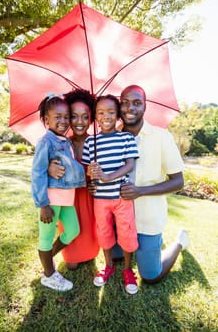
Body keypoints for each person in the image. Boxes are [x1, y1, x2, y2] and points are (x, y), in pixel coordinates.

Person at [118, 84, 190, 284]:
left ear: (144, 107)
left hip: (147, 219)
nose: (129, 108)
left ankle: (179, 242)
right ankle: (143, 248)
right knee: (115, 258)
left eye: (136, 103)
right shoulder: (111, 136)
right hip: (119, 218)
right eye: (124, 103)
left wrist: (140, 191)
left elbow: (178, 181)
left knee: (151, 276)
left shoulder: (161, 136)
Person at [82, 94, 139, 294]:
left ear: (118, 116)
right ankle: (108, 266)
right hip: (100, 198)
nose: (106, 116)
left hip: (122, 197)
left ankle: (127, 269)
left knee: (127, 231)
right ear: (95, 116)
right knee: (104, 231)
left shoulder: (126, 137)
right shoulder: (91, 142)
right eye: (101, 112)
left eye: (111, 112)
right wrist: (93, 172)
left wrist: (107, 177)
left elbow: (130, 164)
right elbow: (89, 169)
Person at [31, 94, 85, 292]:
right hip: (51, 199)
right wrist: (42, 204)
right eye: (57, 117)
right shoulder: (46, 141)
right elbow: (37, 173)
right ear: (47, 120)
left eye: (66, 117)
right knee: (45, 236)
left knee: (72, 231)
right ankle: (49, 275)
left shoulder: (67, 141)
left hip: (67, 199)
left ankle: (48, 260)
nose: (63, 121)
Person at [49, 89, 99, 269]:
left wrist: (96, 182)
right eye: (74, 116)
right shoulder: (61, 142)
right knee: (71, 264)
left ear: (91, 119)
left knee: (91, 252)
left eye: (85, 117)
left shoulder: (97, 143)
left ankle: (89, 251)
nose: (79, 122)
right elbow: (44, 164)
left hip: (89, 200)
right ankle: (49, 257)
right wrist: (49, 167)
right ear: (68, 118)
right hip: (68, 200)